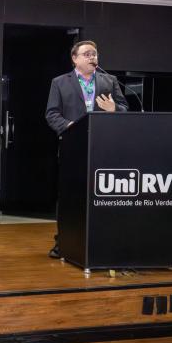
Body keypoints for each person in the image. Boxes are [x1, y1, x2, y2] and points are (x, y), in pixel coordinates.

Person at [45, 40, 129, 258]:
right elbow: (52, 113)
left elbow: (124, 108)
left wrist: (114, 109)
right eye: (87, 54)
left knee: (101, 196)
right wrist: (70, 127)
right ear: (75, 59)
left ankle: (102, 241)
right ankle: (64, 242)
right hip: (73, 148)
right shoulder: (60, 82)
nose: (93, 57)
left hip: (104, 148)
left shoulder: (110, 80)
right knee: (70, 197)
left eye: (95, 54)